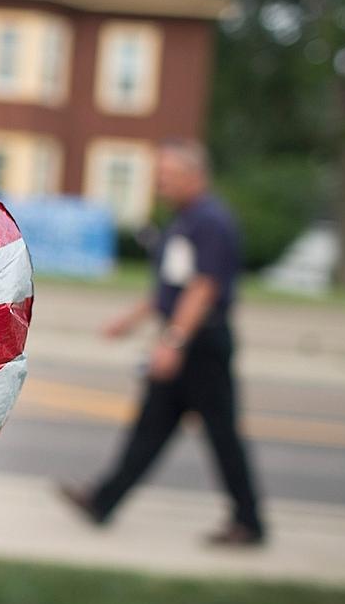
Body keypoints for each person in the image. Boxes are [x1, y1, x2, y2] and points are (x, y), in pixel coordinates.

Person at [59, 140, 265, 546]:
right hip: (185, 340)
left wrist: (173, 342)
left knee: (222, 435)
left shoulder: (210, 222)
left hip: (200, 346)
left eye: (169, 177)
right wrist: (130, 321)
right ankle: (103, 502)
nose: (161, 185)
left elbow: (203, 288)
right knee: (150, 428)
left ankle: (249, 522)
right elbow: (172, 287)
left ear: (196, 176)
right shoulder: (184, 221)